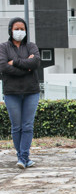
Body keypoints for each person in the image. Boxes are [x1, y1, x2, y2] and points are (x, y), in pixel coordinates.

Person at [0, 17, 41, 168]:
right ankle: (22, 157)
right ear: (10, 30)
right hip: (12, 92)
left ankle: (23, 158)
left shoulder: (31, 46)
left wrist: (15, 62)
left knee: (28, 126)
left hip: (31, 91)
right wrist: (26, 67)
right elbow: (3, 67)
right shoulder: (3, 47)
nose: (19, 31)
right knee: (17, 126)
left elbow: (35, 62)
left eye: (22, 29)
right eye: (16, 28)